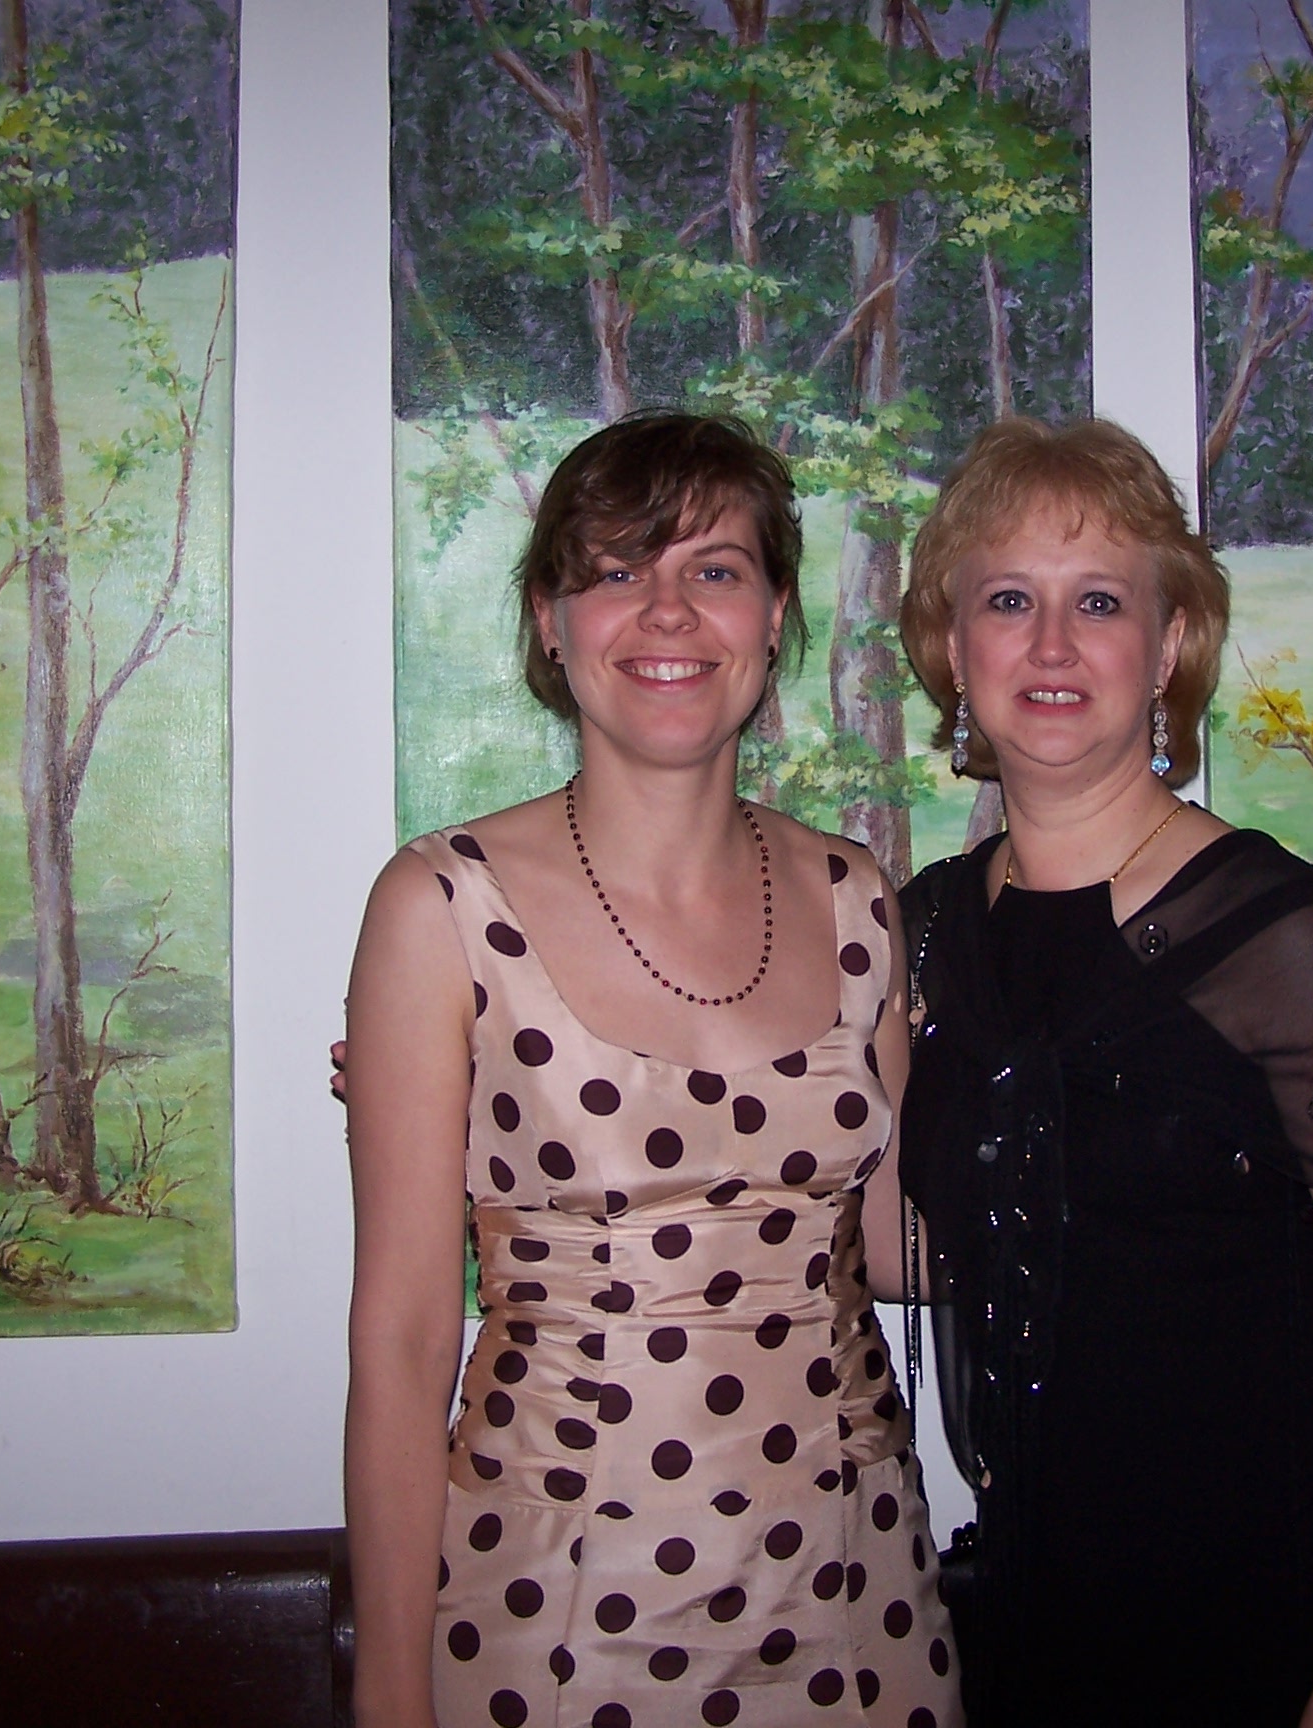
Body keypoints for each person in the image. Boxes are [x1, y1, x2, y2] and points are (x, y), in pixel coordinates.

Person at [893, 418, 1313, 1726]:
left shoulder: (1278, 937)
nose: (1050, 644)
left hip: (1310, 1607)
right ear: (952, 648)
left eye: (1100, 602)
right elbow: (926, 1245)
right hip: (1066, 1612)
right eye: (1008, 601)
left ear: (1170, 648)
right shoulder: (926, 936)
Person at [343, 412, 960, 1728]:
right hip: (560, 1607)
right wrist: (389, 1694)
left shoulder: (856, 898)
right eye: (617, 570)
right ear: (550, 620)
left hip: (860, 1592)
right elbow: (402, 1341)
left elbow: (899, 1251)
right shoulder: (439, 908)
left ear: (774, 616)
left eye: (714, 570)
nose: (667, 612)